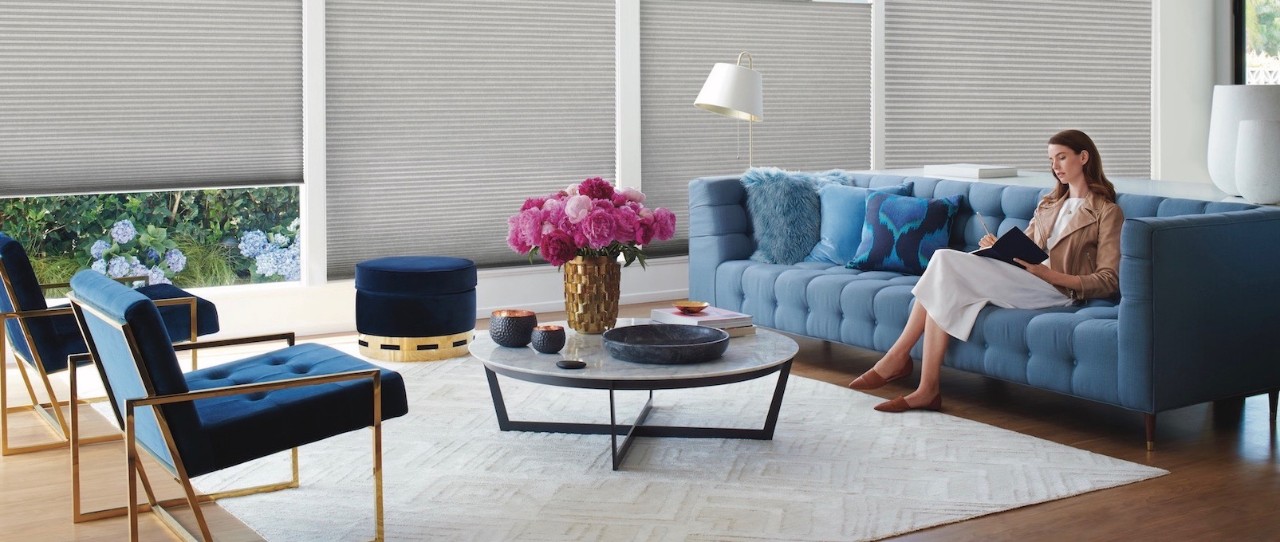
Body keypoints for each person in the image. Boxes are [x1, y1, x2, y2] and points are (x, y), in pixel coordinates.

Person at [848, 129, 1124, 412]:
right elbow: (1028, 247)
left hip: (1058, 290)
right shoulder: (1049, 203)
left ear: (1084, 157)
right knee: (946, 281)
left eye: (1062, 158)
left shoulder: (1106, 212)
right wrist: (999, 246)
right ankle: (926, 388)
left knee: (943, 261)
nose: (1055, 167)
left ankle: (898, 358)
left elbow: (1108, 279)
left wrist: (1051, 275)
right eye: (1051, 160)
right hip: (1026, 277)